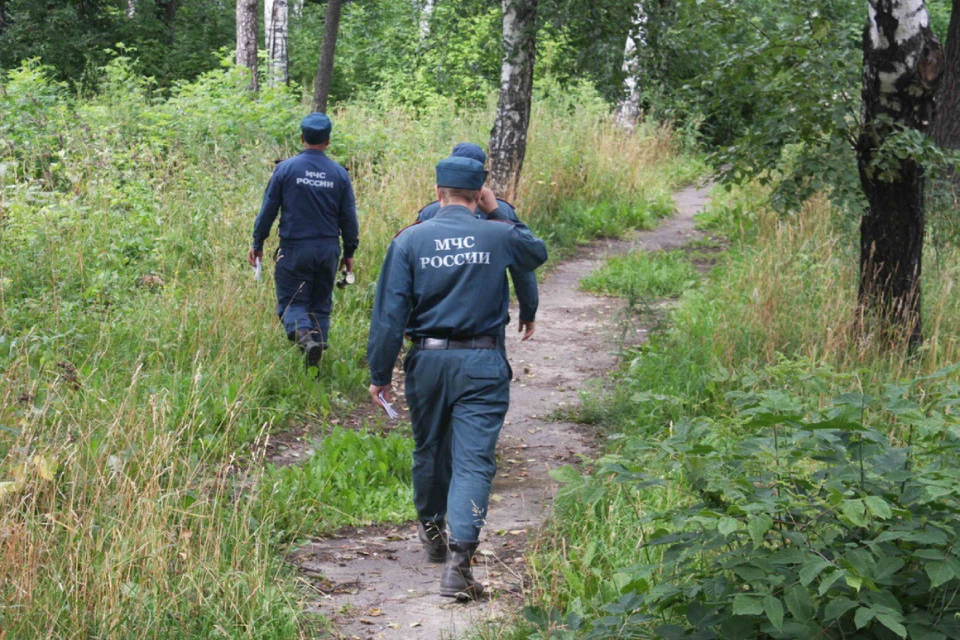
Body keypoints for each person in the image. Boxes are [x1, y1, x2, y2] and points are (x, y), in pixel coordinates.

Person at [367, 156, 548, 600]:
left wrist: (379, 373)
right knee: (474, 461)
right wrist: (498, 209)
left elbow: (389, 317)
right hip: (483, 362)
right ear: (479, 191)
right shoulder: (499, 232)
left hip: (427, 362)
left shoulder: (410, 240)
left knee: (429, 450)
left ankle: (433, 533)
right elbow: (536, 252)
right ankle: (459, 567)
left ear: (437, 191)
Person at [246, 112, 359, 371]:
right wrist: (349, 251)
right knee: (320, 304)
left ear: (301, 137)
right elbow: (349, 218)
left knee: (292, 304)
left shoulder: (285, 169)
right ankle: (314, 366)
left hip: (295, 249)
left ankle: (307, 341)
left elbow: (268, 210)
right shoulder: (340, 174)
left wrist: (257, 242)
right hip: (329, 249)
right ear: (328, 140)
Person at [417, 143, 539, 341]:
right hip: (487, 324)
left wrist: (408, 317)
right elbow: (523, 267)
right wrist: (528, 310)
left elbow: (415, 270)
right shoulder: (501, 213)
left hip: (434, 321)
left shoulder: (430, 213)